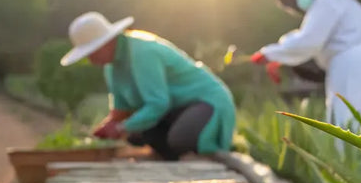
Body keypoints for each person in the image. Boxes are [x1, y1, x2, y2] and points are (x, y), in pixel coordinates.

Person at [61, 12, 236, 160]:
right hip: (174, 111)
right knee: (137, 136)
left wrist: (120, 128)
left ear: (107, 43)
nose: (91, 60)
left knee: (180, 139)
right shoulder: (112, 68)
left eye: (92, 52)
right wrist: (107, 128)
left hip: (206, 101)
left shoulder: (143, 53)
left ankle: (197, 156)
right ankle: (172, 155)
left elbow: (158, 103)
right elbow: (121, 110)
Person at [251, 0, 361, 140]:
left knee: (349, 126)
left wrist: (269, 53)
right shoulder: (347, 4)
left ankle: (355, 167)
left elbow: (309, 41)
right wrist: (281, 58)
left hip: (353, 67)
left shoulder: (326, 1)